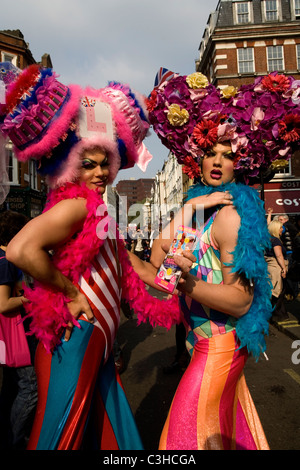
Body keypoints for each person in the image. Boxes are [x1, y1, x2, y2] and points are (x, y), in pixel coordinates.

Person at [0, 63, 180, 450]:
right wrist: (70, 292)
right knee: (60, 434)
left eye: (105, 163)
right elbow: (20, 249)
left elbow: (134, 267)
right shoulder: (77, 206)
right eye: (89, 164)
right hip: (78, 335)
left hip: (99, 338)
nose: (100, 172)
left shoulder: (98, 212)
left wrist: (183, 283)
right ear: (70, 164)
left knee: (105, 432)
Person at [146, 69, 300, 450]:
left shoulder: (231, 214)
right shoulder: (203, 209)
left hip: (219, 347)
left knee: (183, 440)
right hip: (200, 346)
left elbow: (241, 299)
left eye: (227, 155)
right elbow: (157, 258)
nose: (217, 161)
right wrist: (190, 208)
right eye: (210, 153)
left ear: (239, 163)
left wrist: (188, 284)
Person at [0, 210, 38, 450]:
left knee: (12, 385)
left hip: (9, 335)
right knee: (30, 388)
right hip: (16, 334)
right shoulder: (6, 263)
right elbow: (3, 304)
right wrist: (30, 299)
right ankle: (15, 439)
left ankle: (6, 431)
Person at [265, 219, 289, 321]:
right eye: (280, 227)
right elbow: (279, 255)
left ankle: (279, 314)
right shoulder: (276, 240)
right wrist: (284, 268)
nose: (282, 229)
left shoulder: (268, 239)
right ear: (275, 228)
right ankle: (276, 314)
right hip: (276, 267)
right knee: (277, 292)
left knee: (273, 291)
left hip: (269, 267)